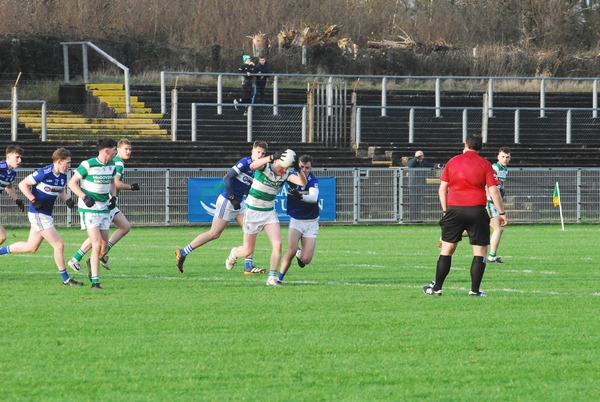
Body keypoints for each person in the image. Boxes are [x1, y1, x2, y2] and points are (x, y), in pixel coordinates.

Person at [423, 134, 507, 297]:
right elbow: (494, 191)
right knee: (480, 251)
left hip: (454, 209)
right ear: (480, 146)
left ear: (465, 144)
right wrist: (501, 212)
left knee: (447, 249)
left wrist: (446, 210)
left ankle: (437, 288)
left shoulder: (453, 161)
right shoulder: (485, 164)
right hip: (477, 210)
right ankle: (475, 290)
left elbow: (442, 189)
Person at [175, 140, 268, 274]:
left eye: (263, 153)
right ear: (252, 151)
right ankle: (183, 252)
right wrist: (232, 198)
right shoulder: (245, 163)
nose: (260, 155)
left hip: (240, 203)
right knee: (214, 234)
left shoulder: (259, 168)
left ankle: (248, 265)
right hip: (228, 201)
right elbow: (227, 178)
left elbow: (247, 187)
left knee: (251, 229)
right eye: (258, 152)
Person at [0, 148, 83, 286]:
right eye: (67, 163)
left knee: (31, 247)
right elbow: (23, 184)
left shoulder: (62, 175)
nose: (69, 165)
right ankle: (66, 279)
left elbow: (60, 190)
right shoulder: (44, 172)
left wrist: (67, 200)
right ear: (59, 161)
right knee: (59, 245)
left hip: (46, 214)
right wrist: (33, 200)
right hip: (38, 214)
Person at [225, 149, 307, 286]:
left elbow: (302, 182)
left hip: (269, 212)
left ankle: (272, 278)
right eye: (282, 167)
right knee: (247, 250)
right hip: (252, 212)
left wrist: (298, 170)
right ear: (276, 161)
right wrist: (270, 157)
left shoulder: (285, 174)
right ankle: (234, 253)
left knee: (278, 245)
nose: (283, 170)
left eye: (286, 168)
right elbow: (252, 166)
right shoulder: (265, 167)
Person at [68, 139, 140, 272]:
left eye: (130, 149)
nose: (129, 152)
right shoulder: (117, 163)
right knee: (107, 233)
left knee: (120, 228)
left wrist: (114, 197)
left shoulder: (114, 162)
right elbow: (116, 183)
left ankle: (90, 257)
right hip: (102, 203)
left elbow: (112, 183)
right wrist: (131, 187)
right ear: (117, 150)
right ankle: (97, 256)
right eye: (126, 149)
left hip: (108, 201)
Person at [68, 138, 118, 289]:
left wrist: (113, 197)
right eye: (114, 150)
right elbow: (72, 183)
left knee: (103, 248)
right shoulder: (88, 164)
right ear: (107, 151)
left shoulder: (112, 165)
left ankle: (88, 266)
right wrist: (84, 197)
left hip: (104, 209)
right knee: (96, 244)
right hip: (89, 210)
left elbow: (112, 183)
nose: (116, 153)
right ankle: (95, 282)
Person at [277, 155, 320, 284]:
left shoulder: (313, 180)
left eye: (307, 168)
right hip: (296, 220)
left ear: (311, 168)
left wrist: (300, 196)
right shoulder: (291, 177)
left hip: (311, 222)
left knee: (306, 260)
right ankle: (278, 278)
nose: (304, 170)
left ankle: (299, 253)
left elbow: (313, 198)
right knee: (291, 250)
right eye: (302, 167)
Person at [487, 147, 511, 263]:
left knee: (479, 228)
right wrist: (491, 197)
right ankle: (492, 257)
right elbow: (486, 184)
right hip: (489, 202)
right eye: (503, 156)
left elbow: (499, 184)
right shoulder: (495, 168)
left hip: (494, 201)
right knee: (499, 229)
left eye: (507, 157)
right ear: (498, 157)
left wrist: (501, 191)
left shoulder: (505, 169)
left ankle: (449, 236)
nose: (505, 159)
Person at [407, 150, 444, 222]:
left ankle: (418, 217)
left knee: (419, 202)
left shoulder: (424, 162)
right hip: (413, 185)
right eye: (419, 156)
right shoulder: (412, 161)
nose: (420, 157)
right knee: (413, 202)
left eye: (421, 156)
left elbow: (432, 165)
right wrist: (416, 158)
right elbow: (410, 165)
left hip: (421, 184)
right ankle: (413, 218)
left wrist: (438, 165)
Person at [0, 145, 26, 244]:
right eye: (17, 157)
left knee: (2, 237)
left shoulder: (13, 171)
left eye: (20, 157)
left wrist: (17, 200)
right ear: (8, 157)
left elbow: (9, 187)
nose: (20, 160)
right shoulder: (1, 167)